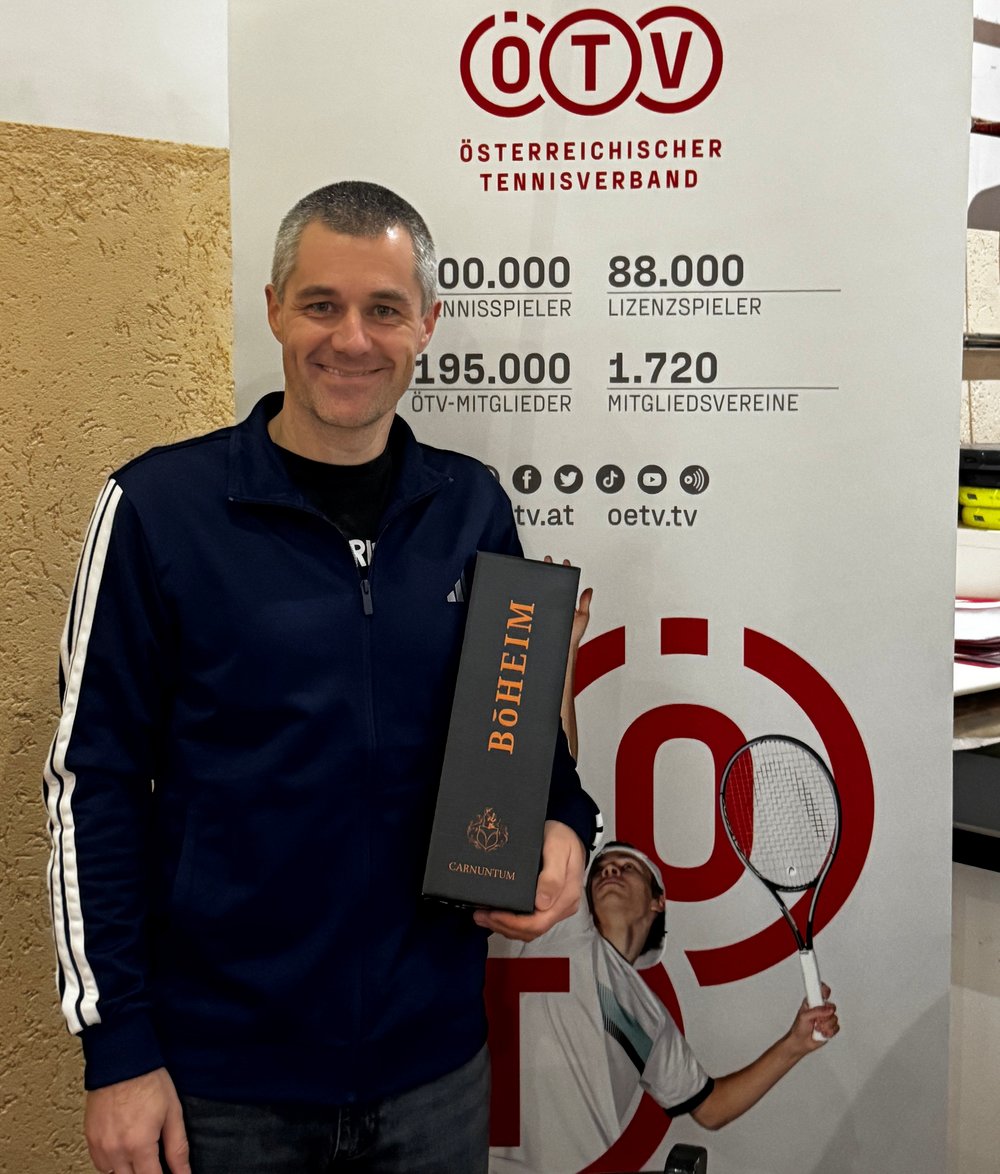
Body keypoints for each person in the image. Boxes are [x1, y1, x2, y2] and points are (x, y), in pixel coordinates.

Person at [44, 181, 597, 1174]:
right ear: (273, 310)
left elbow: (517, 735)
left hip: (434, 1071)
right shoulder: (159, 508)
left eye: (384, 308)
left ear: (426, 324)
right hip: (221, 1084)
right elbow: (94, 785)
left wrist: (564, 823)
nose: (351, 338)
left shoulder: (471, 506)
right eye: (321, 304)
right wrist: (117, 1046)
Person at [489, 841, 839, 1173]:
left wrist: (794, 1044)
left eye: (627, 867)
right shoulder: (564, 928)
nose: (610, 871)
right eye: (602, 869)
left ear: (659, 901)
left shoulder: (651, 1018)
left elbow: (712, 1108)